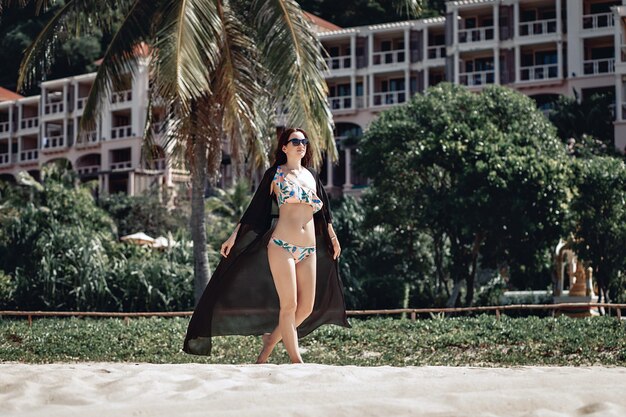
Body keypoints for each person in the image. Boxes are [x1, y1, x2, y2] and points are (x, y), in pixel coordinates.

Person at [183, 128, 350, 363]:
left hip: (309, 249)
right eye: (295, 141)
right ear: (284, 147)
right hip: (282, 246)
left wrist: (333, 237)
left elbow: (326, 214)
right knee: (289, 305)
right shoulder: (275, 174)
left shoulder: (311, 175)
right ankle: (296, 361)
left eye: (304, 141)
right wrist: (233, 236)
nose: (301, 144)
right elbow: (255, 209)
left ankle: (270, 340)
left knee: (306, 308)